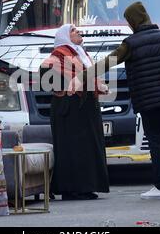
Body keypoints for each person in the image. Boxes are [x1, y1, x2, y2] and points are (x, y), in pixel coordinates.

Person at [74, 2, 160, 199]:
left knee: (156, 142)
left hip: (151, 102)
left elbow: (109, 61)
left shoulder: (131, 44)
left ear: (132, 22)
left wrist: (81, 77)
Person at [40, 24, 110, 200]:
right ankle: (71, 189)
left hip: (85, 107)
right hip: (69, 108)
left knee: (87, 147)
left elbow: (89, 76)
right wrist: (68, 84)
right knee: (73, 148)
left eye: (77, 29)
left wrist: (98, 85)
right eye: (73, 30)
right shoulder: (59, 54)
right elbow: (44, 75)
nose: (78, 31)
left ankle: (86, 187)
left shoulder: (82, 54)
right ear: (64, 36)